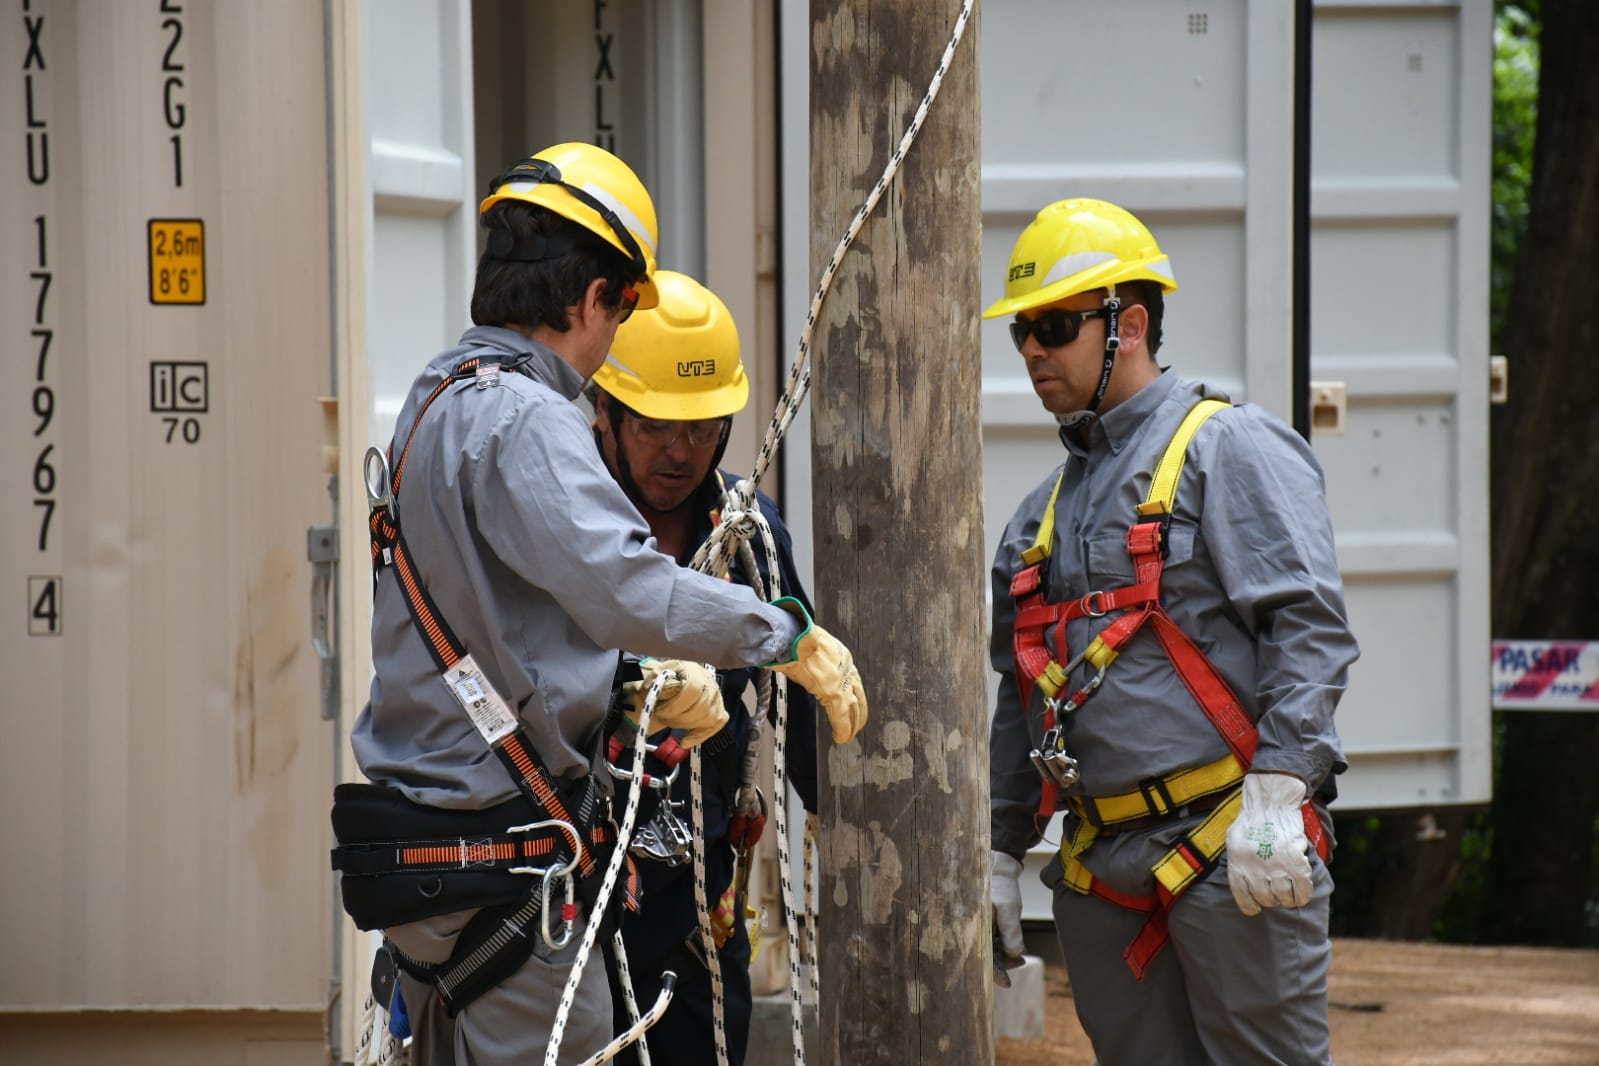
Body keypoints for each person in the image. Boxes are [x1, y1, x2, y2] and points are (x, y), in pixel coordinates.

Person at [339, 142, 866, 1066]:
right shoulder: (530, 418)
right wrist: (782, 634)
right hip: (508, 861)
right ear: (589, 300)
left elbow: (502, 617)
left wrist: (630, 680)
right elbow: (628, 589)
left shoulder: (434, 400)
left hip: (421, 863)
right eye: (621, 309)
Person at [984, 198, 1358, 1065]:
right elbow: (1019, 692)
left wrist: (1280, 787)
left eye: (1054, 324)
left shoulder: (1227, 448)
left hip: (1228, 844)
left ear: (1131, 323)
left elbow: (1307, 627)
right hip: (1099, 868)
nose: (1034, 348)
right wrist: (999, 850)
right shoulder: (1036, 517)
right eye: (1021, 333)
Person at [587, 269, 820, 1066]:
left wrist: (851, 822)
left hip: (694, 898)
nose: (680, 452)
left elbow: (803, 717)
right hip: (573, 882)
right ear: (606, 413)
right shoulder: (562, 523)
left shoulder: (745, 533)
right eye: (655, 426)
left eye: (703, 427)